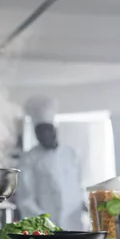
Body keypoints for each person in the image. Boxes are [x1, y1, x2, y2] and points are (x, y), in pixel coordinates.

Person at [16, 95, 85, 231]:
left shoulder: (71, 153)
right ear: (36, 134)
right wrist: (45, 223)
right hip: (46, 228)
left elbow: (78, 187)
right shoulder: (29, 159)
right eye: (40, 132)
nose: (45, 135)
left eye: (48, 129)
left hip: (74, 225)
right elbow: (25, 199)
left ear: (55, 129)